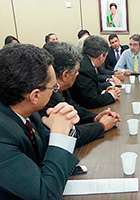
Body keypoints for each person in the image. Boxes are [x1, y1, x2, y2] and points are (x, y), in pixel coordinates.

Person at [0, 44, 81, 199]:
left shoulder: (27, 111)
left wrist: (65, 126)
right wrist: (59, 138)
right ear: (35, 95)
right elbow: (46, 195)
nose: (56, 89)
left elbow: (44, 154)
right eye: (53, 87)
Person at [42, 42, 120, 147]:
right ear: (65, 75)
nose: (78, 74)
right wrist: (101, 126)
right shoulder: (46, 96)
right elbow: (69, 135)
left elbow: (73, 107)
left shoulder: (61, 88)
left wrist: (96, 117)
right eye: (76, 71)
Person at [70, 35, 121, 109]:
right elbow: (90, 101)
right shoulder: (86, 69)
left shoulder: (85, 60)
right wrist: (111, 95)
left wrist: (105, 90)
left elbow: (91, 87)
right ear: (101, 56)